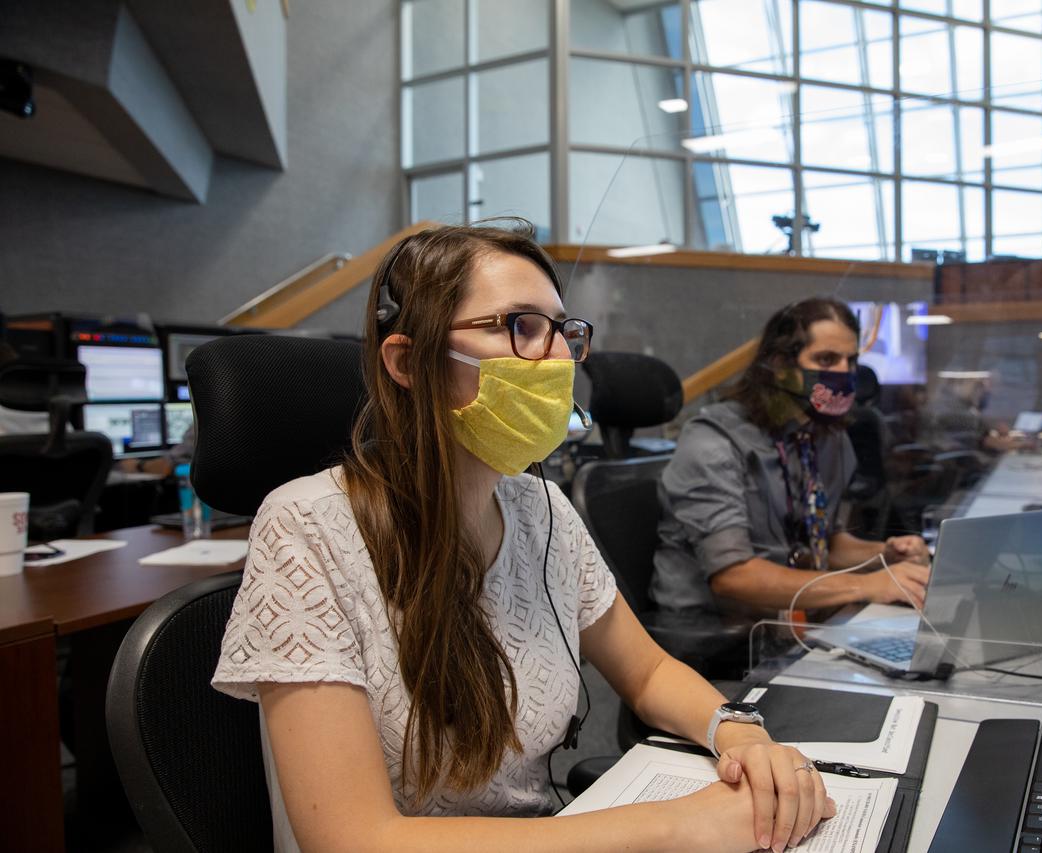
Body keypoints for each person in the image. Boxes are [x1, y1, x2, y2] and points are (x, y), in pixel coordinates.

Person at [211, 222, 833, 853]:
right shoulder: (306, 525)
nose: (558, 356)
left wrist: (741, 734)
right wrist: (676, 826)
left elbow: (645, 674)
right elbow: (351, 839)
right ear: (406, 361)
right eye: (521, 326)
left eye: (562, 329)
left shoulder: (543, 509)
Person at [651, 297, 931, 619]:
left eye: (850, 361)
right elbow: (733, 576)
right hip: (718, 636)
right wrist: (866, 585)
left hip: (789, 621)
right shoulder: (713, 443)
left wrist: (887, 556)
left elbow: (826, 546)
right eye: (826, 360)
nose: (844, 372)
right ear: (781, 367)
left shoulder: (828, 438)